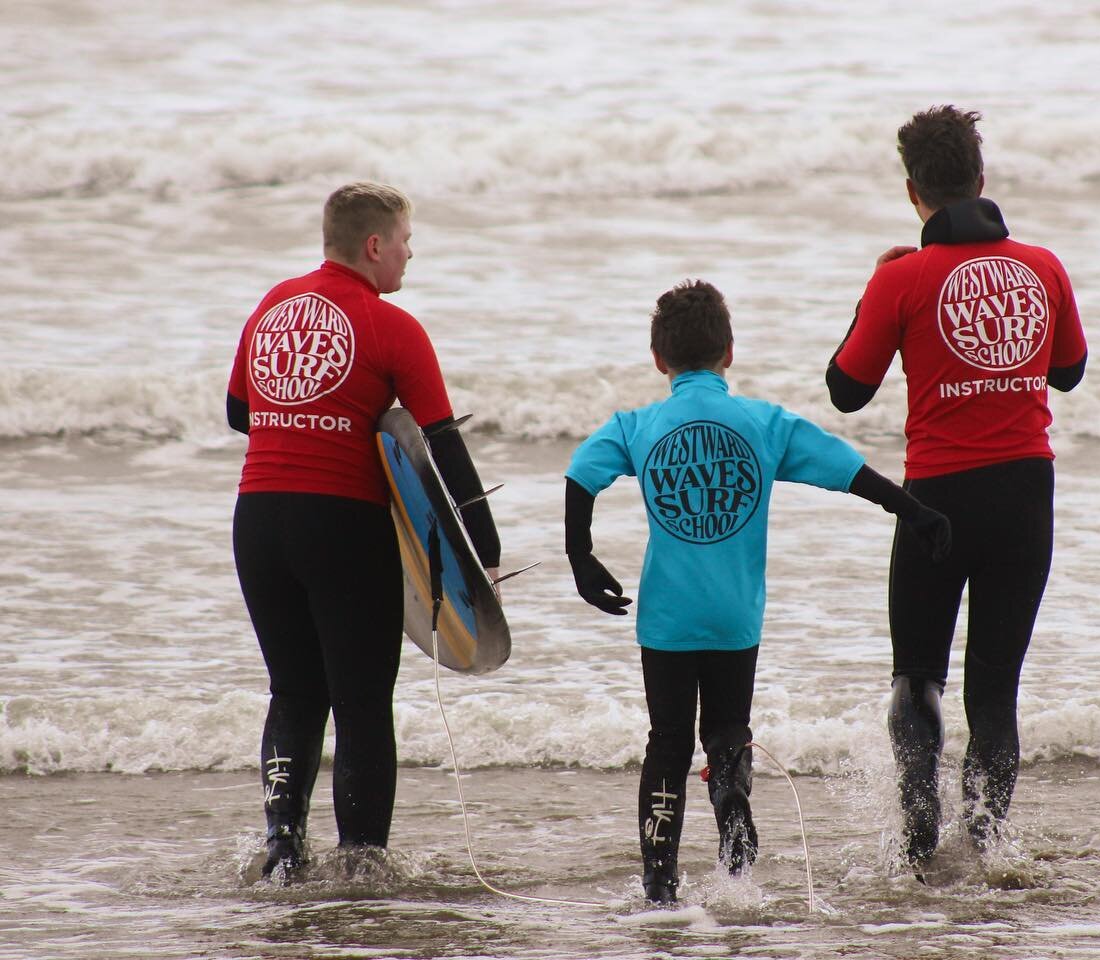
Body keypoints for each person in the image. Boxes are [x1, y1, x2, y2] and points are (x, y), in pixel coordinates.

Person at [564, 279, 951, 905]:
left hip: (665, 618)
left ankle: (659, 884)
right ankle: (735, 841)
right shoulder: (764, 423)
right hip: (734, 619)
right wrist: (916, 513)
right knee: (727, 731)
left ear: (659, 359)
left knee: (667, 739)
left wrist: (580, 556)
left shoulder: (636, 425)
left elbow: (582, 474)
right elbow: (849, 472)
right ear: (730, 352)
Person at [826, 106, 1088, 868]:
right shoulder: (1043, 266)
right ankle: (991, 848)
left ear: (913, 191)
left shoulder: (902, 279)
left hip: (935, 500)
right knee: (995, 691)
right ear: (982, 178)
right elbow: (1068, 373)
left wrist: (873, 291)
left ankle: (915, 847)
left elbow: (847, 389)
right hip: (1023, 495)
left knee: (917, 678)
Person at [226, 182, 501, 879]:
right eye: (405, 241)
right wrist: (484, 559)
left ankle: (283, 849)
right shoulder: (393, 326)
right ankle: (360, 868)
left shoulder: (271, 306)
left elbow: (239, 413)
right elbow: (440, 443)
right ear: (374, 245)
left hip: (259, 520)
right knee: (359, 699)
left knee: (293, 690)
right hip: (342, 524)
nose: (410, 255)